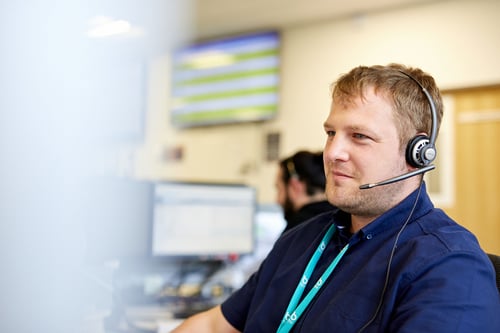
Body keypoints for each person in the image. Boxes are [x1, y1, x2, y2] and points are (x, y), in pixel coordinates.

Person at [172, 64, 500, 332]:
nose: (333, 152)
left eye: (359, 136)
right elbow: (215, 326)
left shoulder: (450, 267)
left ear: (418, 153)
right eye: (331, 133)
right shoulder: (302, 238)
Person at [276, 151, 336, 234]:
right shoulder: (345, 219)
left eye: (279, 190)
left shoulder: (296, 230)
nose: (277, 200)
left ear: (295, 186)